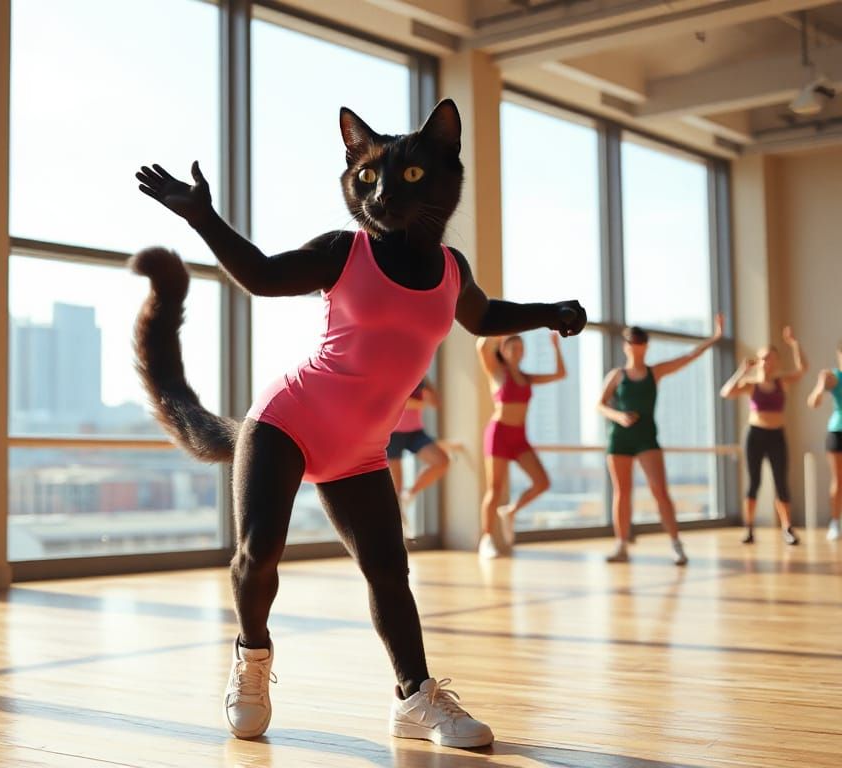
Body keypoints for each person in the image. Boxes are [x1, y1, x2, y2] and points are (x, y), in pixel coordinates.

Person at [132, 98, 587, 748]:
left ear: (442, 174)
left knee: (389, 570)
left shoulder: (452, 272)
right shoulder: (346, 253)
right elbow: (260, 276)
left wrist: (550, 311)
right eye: (363, 178)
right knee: (260, 552)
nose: (379, 194)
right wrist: (203, 216)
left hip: (361, 449)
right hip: (288, 421)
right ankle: (251, 660)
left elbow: (483, 319)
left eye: (403, 178)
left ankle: (414, 699)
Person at [598, 316, 724, 565]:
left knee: (660, 491)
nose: (637, 346)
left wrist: (716, 337)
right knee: (622, 493)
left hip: (646, 438)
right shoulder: (616, 375)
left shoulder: (655, 372)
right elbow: (599, 405)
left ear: (646, 346)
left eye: (641, 342)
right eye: (632, 342)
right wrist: (619, 416)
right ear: (626, 346)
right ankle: (621, 545)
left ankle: (676, 545)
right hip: (620, 439)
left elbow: (689, 357)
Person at [476, 332, 565, 558]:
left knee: (542, 482)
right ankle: (486, 540)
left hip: (519, 437)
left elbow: (560, 374)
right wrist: (501, 331)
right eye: (512, 348)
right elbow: (481, 346)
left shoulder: (527, 377)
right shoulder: (497, 373)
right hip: (499, 434)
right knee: (494, 490)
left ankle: (511, 511)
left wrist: (555, 346)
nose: (516, 352)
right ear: (504, 351)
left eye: (520, 348)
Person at [720, 326, 807, 545]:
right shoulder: (751, 385)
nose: (768, 363)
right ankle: (749, 528)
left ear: (777, 362)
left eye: (772, 359)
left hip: (777, 435)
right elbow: (726, 392)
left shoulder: (781, 382)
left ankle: (787, 527)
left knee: (781, 483)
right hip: (755, 436)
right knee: (754, 483)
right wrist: (742, 371)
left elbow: (803, 369)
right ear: (758, 361)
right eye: (764, 358)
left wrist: (794, 344)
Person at [387, 378, 453, 537]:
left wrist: (423, 388)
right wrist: (420, 402)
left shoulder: (420, 375)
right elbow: (392, 402)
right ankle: (398, 536)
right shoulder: (390, 372)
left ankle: (409, 494)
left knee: (442, 461)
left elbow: (436, 402)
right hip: (392, 433)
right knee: (395, 490)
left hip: (415, 432)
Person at [806, 341, 842, 541]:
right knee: (839, 479)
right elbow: (813, 402)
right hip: (838, 432)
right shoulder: (834, 377)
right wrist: (820, 384)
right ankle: (835, 522)